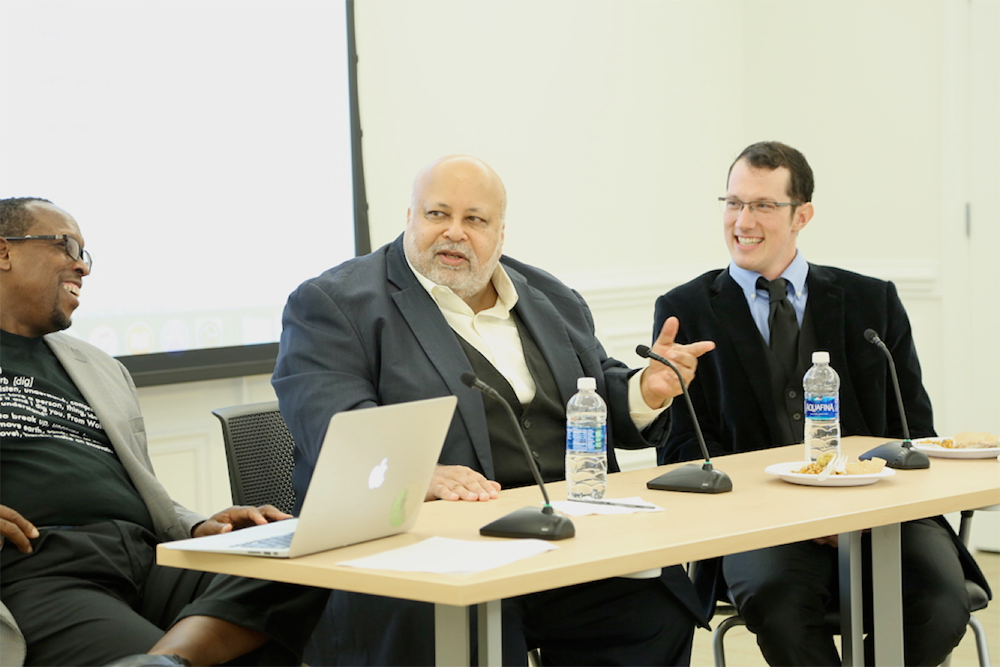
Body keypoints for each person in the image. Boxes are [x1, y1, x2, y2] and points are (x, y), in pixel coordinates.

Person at [272, 155, 716, 666]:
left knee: (653, 609)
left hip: (564, 538)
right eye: (437, 215)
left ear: (501, 233)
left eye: (474, 220)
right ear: (410, 217)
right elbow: (335, 429)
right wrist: (420, 475)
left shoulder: (548, 295)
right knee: (481, 634)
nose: (453, 233)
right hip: (430, 553)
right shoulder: (335, 303)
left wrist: (647, 389)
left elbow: (596, 392)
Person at [651, 141, 989, 667]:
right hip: (760, 524)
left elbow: (912, 432)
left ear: (802, 214)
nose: (743, 220)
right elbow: (683, 448)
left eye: (763, 205)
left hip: (883, 513)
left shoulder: (873, 302)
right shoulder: (684, 311)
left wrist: (854, 506)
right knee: (778, 604)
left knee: (941, 603)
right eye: (733, 202)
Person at [0, 197, 328, 667]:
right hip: (45, 568)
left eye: (85, 254)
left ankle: (167, 661)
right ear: (4, 252)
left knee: (301, 554)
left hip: (149, 555)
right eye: (66, 246)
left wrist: (198, 526)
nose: (82, 267)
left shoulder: (99, 368)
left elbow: (137, 486)